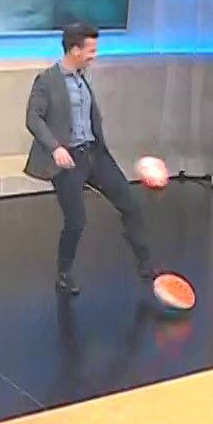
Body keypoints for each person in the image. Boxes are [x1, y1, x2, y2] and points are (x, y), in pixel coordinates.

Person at [23, 22, 157, 295]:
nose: (95, 55)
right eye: (91, 50)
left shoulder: (82, 77)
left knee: (130, 204)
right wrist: (55, 148)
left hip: (94, 154)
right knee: (76, 221)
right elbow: (33, 118)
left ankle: (146, 265)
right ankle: (64, 273)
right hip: (67, 160)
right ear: (75, 50)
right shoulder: (47, 80)